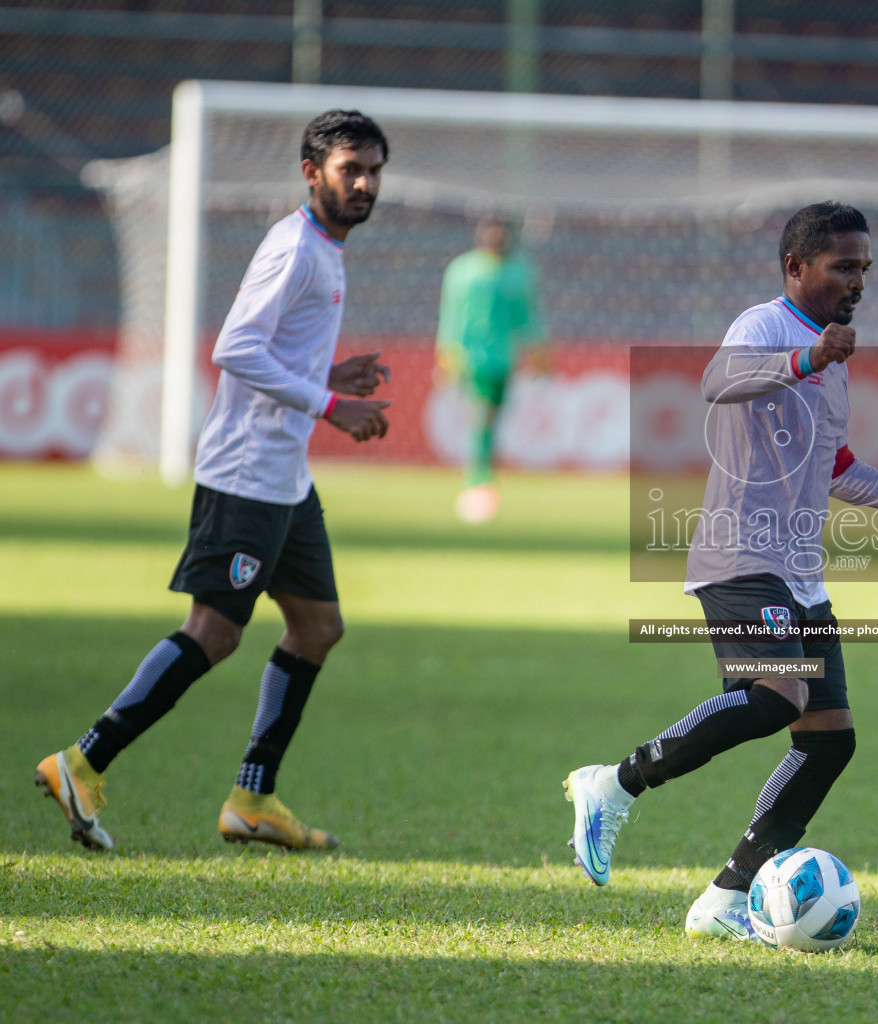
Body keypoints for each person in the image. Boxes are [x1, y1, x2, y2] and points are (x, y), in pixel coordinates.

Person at [562, 201, 878, 938]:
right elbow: (716, 382)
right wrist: (808, 358)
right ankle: (614, 783)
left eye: (864, 268)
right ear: (796, 267)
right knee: (775, 694)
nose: (858, 281)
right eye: (843, 266)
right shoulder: (764, 326)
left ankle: (725, 901)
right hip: (737, 555)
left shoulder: (835, 360)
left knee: (829, 737)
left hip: (800, 572)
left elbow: (840, 470)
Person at [33, 109, 393, 852]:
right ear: (310, 174)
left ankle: (252, 800)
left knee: (319, 627)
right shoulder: (295, 247)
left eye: (372, 171)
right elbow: (236, 349)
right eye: (349, 169)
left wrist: (328, 376)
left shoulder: (326, 249)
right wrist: (330, 404)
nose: (363, 183)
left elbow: (273, 358)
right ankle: (83, 760)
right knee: (215, 632)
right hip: (246, 476)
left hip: (285, 479)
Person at [435, 216, 546, 523]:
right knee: (482, 415)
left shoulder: (519, 272)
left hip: (505, 360)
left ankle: (483, 476)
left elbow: (528, 316)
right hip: (473, 358)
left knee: (492, 418)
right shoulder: (464, 271)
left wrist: (538, 350)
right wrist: (447, 354)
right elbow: (452, 316)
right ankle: (478, 481)